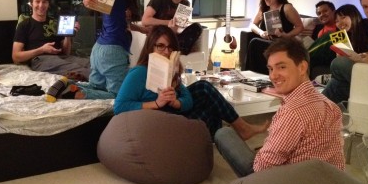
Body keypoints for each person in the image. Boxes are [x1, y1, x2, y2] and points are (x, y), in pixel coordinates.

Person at [214, 37, 345, 177]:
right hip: (329, 181)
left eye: (282, 67)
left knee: (224, 134)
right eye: (270, 69)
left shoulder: (291, 113)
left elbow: (261, 168)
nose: (273, 76)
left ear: (302, 67)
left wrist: (262, 153)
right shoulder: (330, 105)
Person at [114, 26, 269, 139]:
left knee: (205, 92)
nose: (166, 52)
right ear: (150, 47)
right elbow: (119, 107)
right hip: (156, 124)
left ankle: (214, 145)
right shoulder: (139, 73)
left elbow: (187, 100)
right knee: (207, 100)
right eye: (160, 46)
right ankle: (239, 130)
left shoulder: (172, 70)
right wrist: (156, 103)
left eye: (170, 47)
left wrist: (176, 102)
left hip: (173, 116)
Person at [49, 0, 144, 99]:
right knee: (117, 95)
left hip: (99, 49)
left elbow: (118, 22)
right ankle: (78, 92)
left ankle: (69, 84)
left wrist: (142, 29)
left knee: (96, 87)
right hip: (113, 51)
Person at [12, 0, 90, 80]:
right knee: (78, 69)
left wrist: (68, 36)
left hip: (62, 57)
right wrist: (42, 50)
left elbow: (66, 52)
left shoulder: (55, 23)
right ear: (31, 3)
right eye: (37, 1)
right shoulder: (25, 25)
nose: (41, 5)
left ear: (48, 4)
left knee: (92, 64)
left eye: (44, 2)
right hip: (41, 59)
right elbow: (16, 57)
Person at [245, 0, 304, 74]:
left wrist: (286, 35)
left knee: (254, 42)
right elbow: (253, 25)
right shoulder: (263, 9)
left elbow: (300, 27)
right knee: (252, 38)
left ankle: (255, 72)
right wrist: (261, 32)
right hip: (267, 40)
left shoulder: (287, 8)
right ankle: (251, 74)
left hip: (282, 41)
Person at [141, 0, 205, 55]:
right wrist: (168, 22)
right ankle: (175, 49)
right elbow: (145, 20)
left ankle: (178, 51)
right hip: (158, 36)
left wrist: (180, 26)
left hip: (173, 36)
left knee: (197, 27)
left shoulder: (185, 4)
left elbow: (178, 27)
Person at [309, 4, 368, 78]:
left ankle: (303, 58)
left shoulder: (367, 25)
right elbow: (340, 59)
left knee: (330, 36)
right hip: (344, 60)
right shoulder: (343, 34)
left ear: (353, 15)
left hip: (362, 64)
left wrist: (363, 55)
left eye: (343, 17)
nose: (340, 23)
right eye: (337, 21)